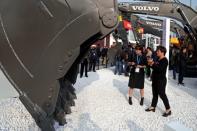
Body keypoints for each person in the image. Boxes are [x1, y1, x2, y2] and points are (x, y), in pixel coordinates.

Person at [145, 46, 171, 117]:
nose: (156, 52)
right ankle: (153, 107)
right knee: (155, 94)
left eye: (158, 51)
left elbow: (159, 69)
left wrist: (152, 64)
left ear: (162, 52)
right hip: (155, 79)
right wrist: (150, 64)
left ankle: (168, 109)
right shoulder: (158, 59)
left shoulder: (165, 60)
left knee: (162, 94)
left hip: (161, 80)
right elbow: (155, 68)